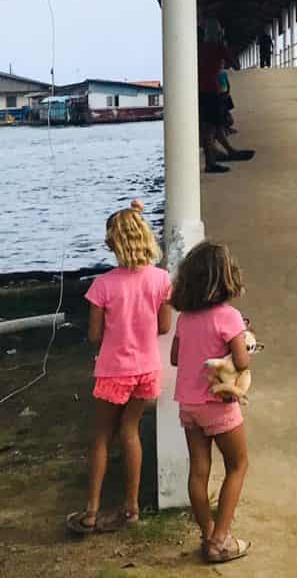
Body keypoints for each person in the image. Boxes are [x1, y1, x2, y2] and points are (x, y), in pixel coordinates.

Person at [67, 201, 172, 535]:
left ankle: (92, 511)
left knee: (101, 436)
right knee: (130, 430)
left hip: (114, 369)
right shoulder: (161, 279)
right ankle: (132, 507)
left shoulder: (103, 285)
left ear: (113, 243)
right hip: (147, 368)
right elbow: (164, 326)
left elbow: (95, 336)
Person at [170, 242, 251, 563]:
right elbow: (242, 362)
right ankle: (221, 540)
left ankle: (206, 534)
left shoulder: (185, 319)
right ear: (226, 278)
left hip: (188, 406)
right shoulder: (229, 317)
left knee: (199, 471)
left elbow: (176, 358)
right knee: (238, 465)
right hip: (217, 404)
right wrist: (241, 338)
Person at [199, 19, 253, 174]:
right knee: (211, 127)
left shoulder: (200, 48)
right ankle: (211, 162)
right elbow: (236, 66)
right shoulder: (219, 47)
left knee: (213, 125)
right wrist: (226, 48)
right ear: (219, 33)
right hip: (213, 91)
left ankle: (227, 151)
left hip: (200, 91)